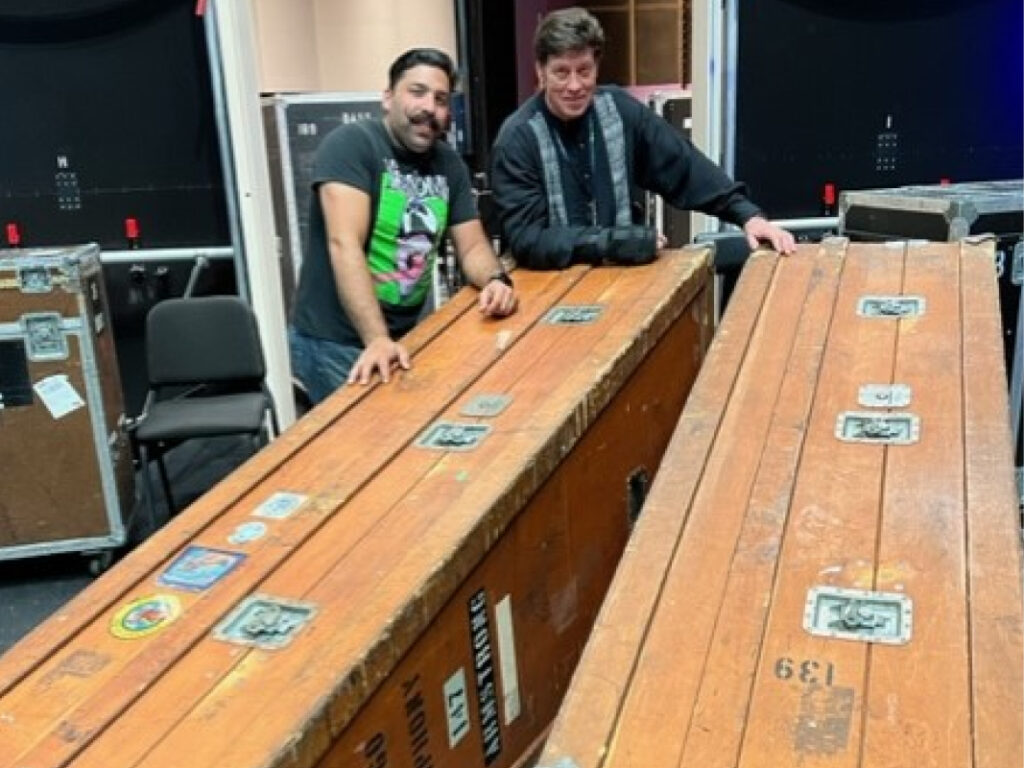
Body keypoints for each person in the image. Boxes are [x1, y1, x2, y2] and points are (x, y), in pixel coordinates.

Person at [290, 48, 518, 404]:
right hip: (336, 343)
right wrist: (376, 339)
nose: (429, 107)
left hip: (401, 338)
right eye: (417, 92)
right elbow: (343, 244)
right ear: (388, 97)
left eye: (441, 99)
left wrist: (495, 280)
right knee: (363, 453)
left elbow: (472, 246)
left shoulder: (449, 164)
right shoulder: (351, 145)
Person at [490, 7, 796, 270]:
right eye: (561, 73)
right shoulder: (517, 139)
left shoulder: (621, 111)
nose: (574, 85)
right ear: (540, 72)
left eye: (584, 71)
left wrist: (747, 215)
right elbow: (528, 240)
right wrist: (612, 243)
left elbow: (684, 166)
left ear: (597, 67)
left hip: (623, 288)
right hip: (547, 298)